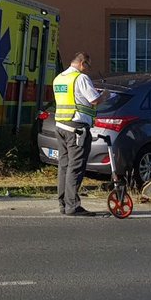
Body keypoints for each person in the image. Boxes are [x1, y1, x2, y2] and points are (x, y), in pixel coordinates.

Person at [52, 52, 108, 217]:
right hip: (76, 128)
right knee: (75, 168)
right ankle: (72, 206)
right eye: (88, 66)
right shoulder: (81, 78)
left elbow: (73, 98)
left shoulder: (59, 78)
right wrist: (104, 95)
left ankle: (63, 204)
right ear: (83, 63)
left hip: (61, 126)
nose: (88, 70)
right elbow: (94, 100)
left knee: (64, 166)